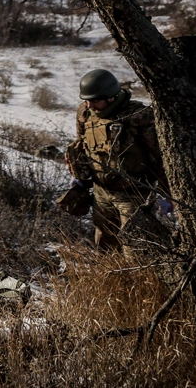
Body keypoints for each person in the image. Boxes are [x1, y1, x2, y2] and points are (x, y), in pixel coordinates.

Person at [64, 69, 169, 255]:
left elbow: (161, 156)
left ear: (111, 97)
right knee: (105, 245)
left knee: (136, 249)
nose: (89, 105)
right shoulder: (85, 112)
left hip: (134, 194)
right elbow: (83, 143)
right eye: (86, 100)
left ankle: (142, 283)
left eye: (95, 100)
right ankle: (112, 282)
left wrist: (167, 193)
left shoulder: (140, 116)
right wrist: (80, 178)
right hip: (101, 191)